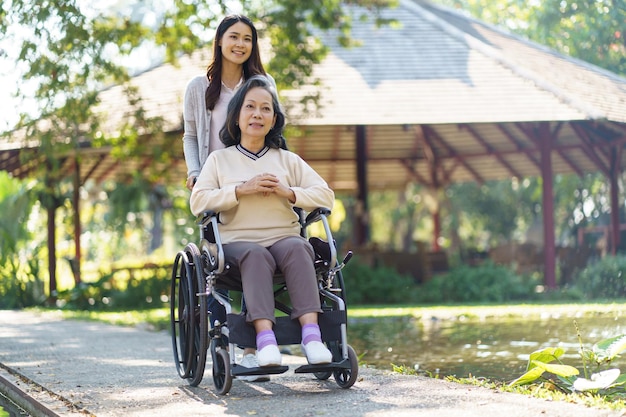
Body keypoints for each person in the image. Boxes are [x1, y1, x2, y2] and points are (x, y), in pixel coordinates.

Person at [190, 75, 335, 367]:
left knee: (298, 247)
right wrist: (240, 190)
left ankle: (312, 336)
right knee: (255, 254)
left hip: (284, 239)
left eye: (265, 109)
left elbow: (326, 196)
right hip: (236, 244)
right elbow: (198, 201)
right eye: (250, 107)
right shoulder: (219, 161)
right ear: (237, 116)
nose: (257, 114)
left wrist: (289, 192)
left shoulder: (288, 160)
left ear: (274, 119)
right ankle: (265, 341)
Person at [182, 14, 276, 381]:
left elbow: (275, 130)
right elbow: (191, 136)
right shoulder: (197, 88)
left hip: (257, 183)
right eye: (233, 37)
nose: (240, 44)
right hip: (217, 184)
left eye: (248, 39)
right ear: (219, 41)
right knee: (230, 260)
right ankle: (234, 338)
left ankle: (253, 350)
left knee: (262, 253)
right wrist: (195, 173)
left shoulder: (262, 84)